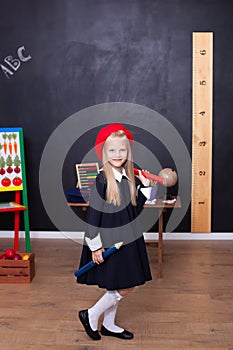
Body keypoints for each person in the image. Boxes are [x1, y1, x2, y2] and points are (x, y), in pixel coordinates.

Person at [77, 123, 152, 341]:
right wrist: (95, 247)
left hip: (128, 240)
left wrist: (145, 188)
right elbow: (93, 218)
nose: (117, 154)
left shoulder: (128, 178)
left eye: (122, 150)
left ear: (128, 152)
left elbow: (133, 212)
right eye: (112, 150)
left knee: (120, 283)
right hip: (110, 242)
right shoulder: (101, 181)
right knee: (126, 284)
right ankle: (91, 314)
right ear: (104, 153)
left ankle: (108, 325)